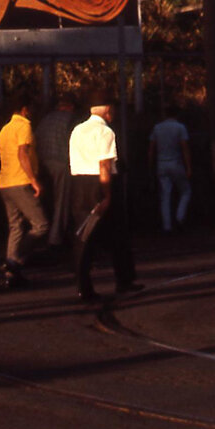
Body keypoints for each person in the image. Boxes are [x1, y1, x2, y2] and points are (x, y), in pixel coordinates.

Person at [68, 94, 138, 301]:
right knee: (119, 234)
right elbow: (104, 165)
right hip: (100, 184)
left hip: (79, 184)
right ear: (107, 109)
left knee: (84, 236)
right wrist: (106, 194)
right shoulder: (105, 131)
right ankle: (124, 280)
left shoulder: (77, 130)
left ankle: (83, 285)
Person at [0, 97, 48, 289]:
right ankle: (13, 261)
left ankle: (12, 275)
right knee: (41, 225)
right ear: (25, 109)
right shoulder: (24, 126)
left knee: (16, 226)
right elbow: (22, 153)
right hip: (21, 181)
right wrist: (34, 180)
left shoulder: (4, 129)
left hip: (4, 182)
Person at [35, 92, 77, 247]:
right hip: (61, 163)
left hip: (43, 163)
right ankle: (56, 238)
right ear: (70, 107)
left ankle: (42, 235)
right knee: (62, 201)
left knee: (47, 201)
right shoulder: (71, 120)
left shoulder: (45, 120)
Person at [148, 102, 192, 234]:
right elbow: (185, 148)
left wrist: (150, 166)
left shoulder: (157, 128)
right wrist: (189, 167)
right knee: (186, 191)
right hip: (176, 162)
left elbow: (151, 149)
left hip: (161, 163)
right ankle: (179, 216)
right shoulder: (180, 127)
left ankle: (167, 226)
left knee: (165, 195)